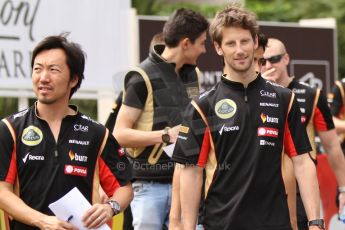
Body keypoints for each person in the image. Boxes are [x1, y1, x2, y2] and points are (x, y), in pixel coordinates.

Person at [172, 5, 324, 230]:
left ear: (255, 42)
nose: (239, 50)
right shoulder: (202, 106)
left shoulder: (284, 99)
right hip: (222, 224)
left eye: (244, 41)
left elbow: (303, 161)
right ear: (218, 48)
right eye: (230, 43)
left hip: (275, 223)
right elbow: (191, 172)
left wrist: (316, 222)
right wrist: (187, 227)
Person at [0, 34, 133, 230]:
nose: (43, 77)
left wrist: (109, 207)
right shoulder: (10, 129)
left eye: (53, 70)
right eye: (38, 69)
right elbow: (2, 191)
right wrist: (42, 221)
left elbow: (124, 188)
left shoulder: (96, 133)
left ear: (73, 79)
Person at [114, 8, 209, 230]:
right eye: (202, 43)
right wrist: (166, 135)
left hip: (186, 181)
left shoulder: (193, 74)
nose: (204, 50)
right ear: (186, 43)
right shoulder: (141, 76)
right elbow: (119, 134)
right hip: (148, 185)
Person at [262, 37, 345, 229]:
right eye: (262, 61)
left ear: (286, 59)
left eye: (273, 59)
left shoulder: (311, 94)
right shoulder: (251, 93)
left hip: (300, 186)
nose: (268, 65)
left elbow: (332, 146)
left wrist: (343, 188)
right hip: (262, 183)